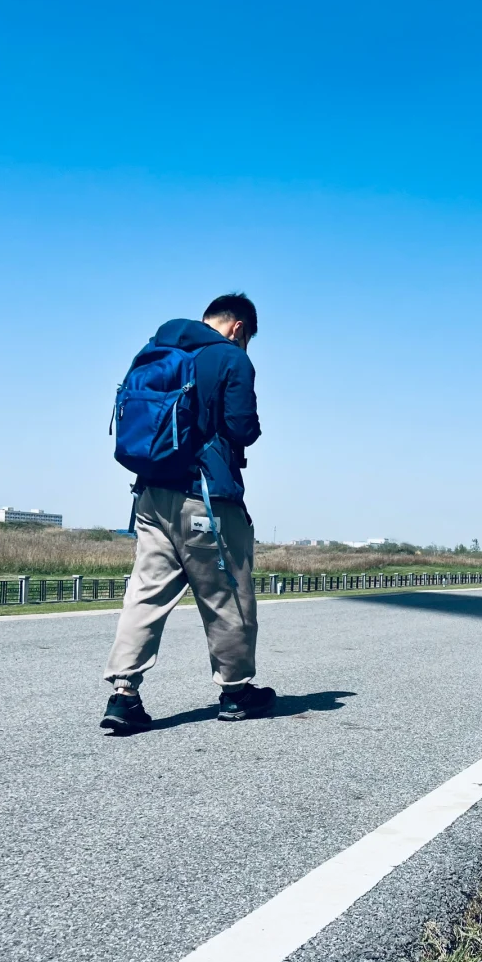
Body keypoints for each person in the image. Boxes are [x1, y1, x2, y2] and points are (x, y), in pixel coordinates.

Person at [101, 294, 275, 733]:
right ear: (238, 328)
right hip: (205, 496)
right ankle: (236, 692)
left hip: (149, 495)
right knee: (226, 592)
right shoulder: (229, 358)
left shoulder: (154, 351)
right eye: (248, 338)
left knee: (145, 593)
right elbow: (241, 429)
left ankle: (124, 695)